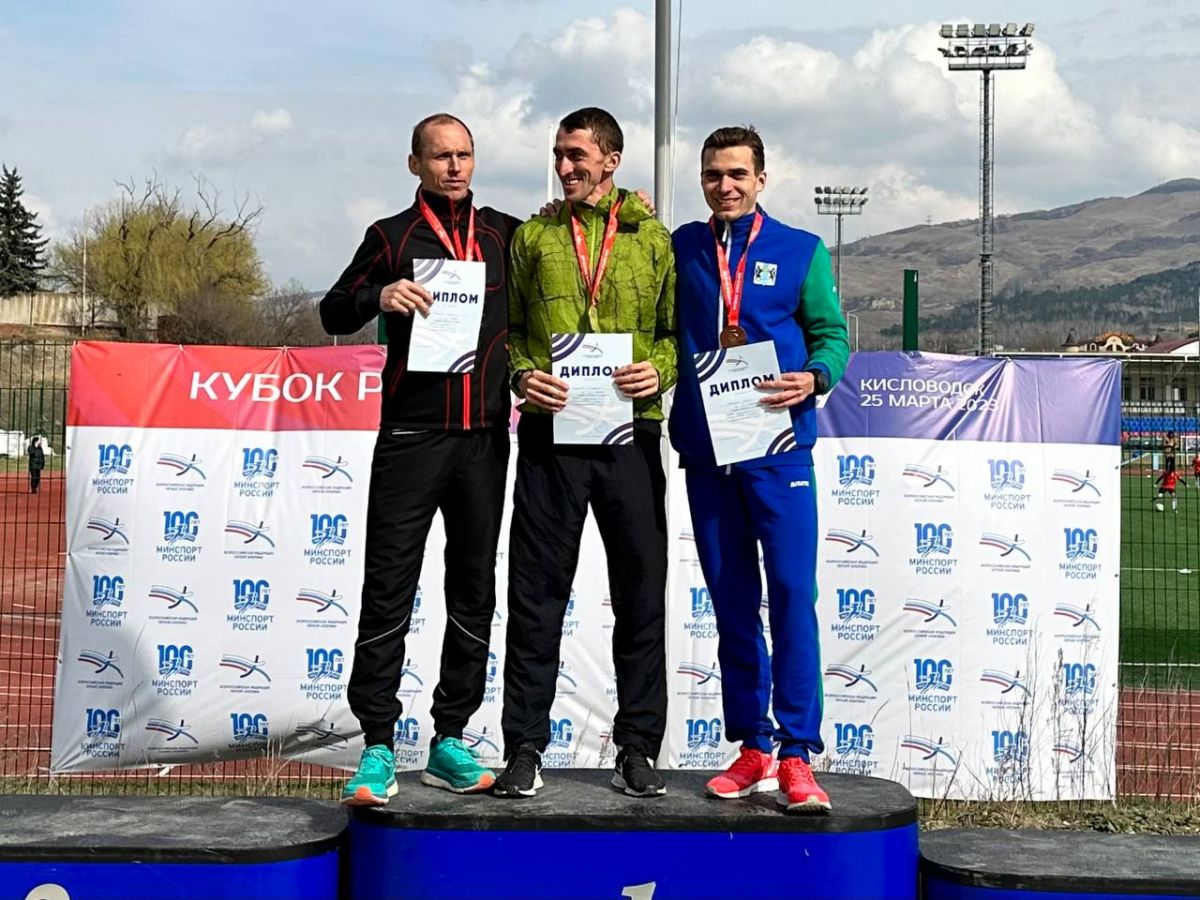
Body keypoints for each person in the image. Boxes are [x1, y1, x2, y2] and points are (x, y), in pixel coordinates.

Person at [320, 113, 520, 805]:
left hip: (484, 438)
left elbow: (567, 239)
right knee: (389, 587)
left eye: (464, 155)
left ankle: (450, 738)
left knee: (473, 589)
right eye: (440, 157)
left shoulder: (504, 234)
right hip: (410, 436)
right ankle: (377, 743)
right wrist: (377, 295)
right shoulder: (391, 236)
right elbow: (333, 311)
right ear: (415, 164)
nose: (454, 167)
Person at [494, 107, 676, 799]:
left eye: (577, 155)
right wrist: (522, 376)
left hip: (632, 431)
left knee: (640, 594)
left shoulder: (652, 237)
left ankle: (638, 749)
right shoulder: (534, 235)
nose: (564, 166)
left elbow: (673, 334)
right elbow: (510, 331)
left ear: (610, 160)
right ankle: (524, 747)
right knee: (535, 595)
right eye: (558, 154)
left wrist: (659, 370)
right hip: (551, 434)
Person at [668, 125, 849, 812]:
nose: (725, 186)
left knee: (793, 595)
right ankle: (753, 745)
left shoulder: (801, 249)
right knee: (733, 603)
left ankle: (798, 753)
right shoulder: (682, 245)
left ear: (761, 178)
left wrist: (815, 375)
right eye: (714, 174)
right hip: (709, 452)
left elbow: (832, 334)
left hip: (779, 449)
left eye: (738, 173)